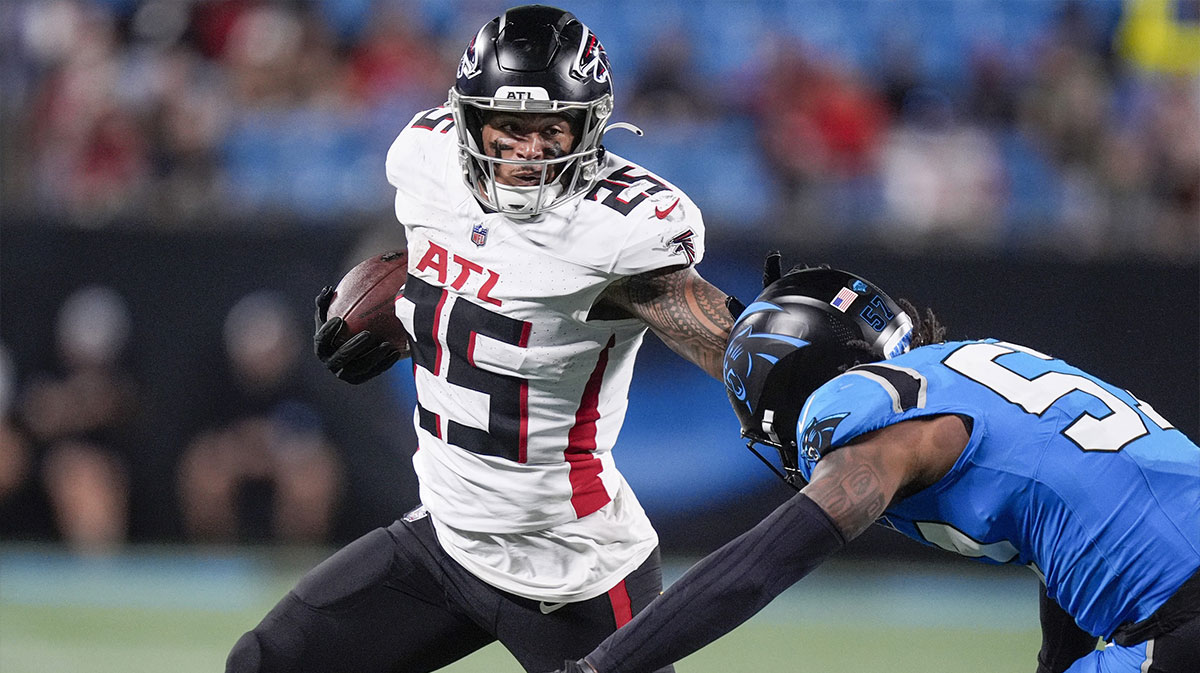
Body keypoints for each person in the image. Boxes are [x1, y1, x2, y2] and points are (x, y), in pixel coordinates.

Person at [227, 6, 738, 672]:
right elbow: (445, 249)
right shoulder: (427, 162)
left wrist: (788, 373)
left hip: (574, 573)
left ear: (588, 127)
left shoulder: (617, 233)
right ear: (470, 122)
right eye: (509, 128)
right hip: (449, 538)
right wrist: (402, 304)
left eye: (551, 129)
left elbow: (717, 333)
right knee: (268, 661)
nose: (528, 152)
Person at [553, 264, 1199, 673]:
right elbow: (1067, 524)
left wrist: (600, 666)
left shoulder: (871, 422)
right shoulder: (965, 369)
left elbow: (761, 565)